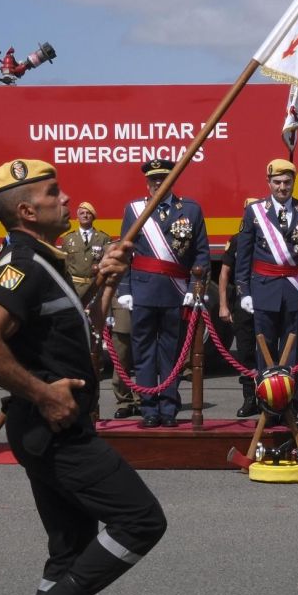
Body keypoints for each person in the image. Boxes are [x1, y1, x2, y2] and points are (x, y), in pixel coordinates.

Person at [0, 157, 165, 595]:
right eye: (54, 193)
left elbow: (72, 335)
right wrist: (42, 393)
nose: (66, 199)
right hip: (53, 429)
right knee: (142, 521)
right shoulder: (19, 266)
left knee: (70, 551)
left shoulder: (48, 263)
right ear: (26, 210)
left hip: (58, 424)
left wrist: (105, 284)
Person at [119, 158, 209, 428]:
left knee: (171, 353)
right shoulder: (135, 210)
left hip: (175, 291)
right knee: (143, 352)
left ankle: (168, 407)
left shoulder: (190, 210)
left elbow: (201, 253)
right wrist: (125, 288)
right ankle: (148, 407)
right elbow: (125, 252)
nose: (158, 183)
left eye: (163, 179)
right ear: (147, 183)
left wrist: (196, 289)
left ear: (171, 181)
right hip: (143, 290)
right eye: (153, 180)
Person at [233, 158, 298, 417]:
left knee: (293, 354)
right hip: (264, 290)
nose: (282, 187)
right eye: (277, 182)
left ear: (294, 182)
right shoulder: (255, 212)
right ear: (269, 183)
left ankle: (291, 408)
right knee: (265, 353)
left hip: (295, 292)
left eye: (287, 182)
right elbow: (244, 256)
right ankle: (269, 408)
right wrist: (244, 291)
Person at [217, 212, 260, 418]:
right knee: (245, 352)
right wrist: (223, 305)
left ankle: (271, 398)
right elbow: (225, 273)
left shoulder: (269, 238)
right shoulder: (236, 240)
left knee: (269, 353)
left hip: (265, 299)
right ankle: (250, 398)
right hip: (242, 302)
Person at [57, 201, 108, 299]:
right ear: (77, 217)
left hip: (95, 287)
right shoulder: (68, 238)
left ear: (93, 217)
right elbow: (63, 265)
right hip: (74, 288)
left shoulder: (103, 238)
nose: (85, 216)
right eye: (82, 213)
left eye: (88, 213)